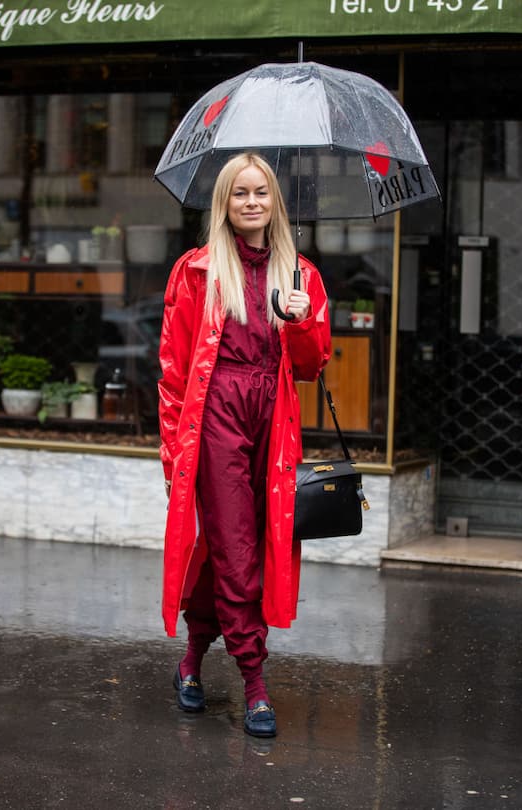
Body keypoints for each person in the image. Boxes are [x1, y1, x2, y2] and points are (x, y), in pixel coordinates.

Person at [158, 152, 331, 738]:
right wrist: (172, 453)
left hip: (273, 422)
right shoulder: (197, 270)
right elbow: (174, 369)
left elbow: (310, 368)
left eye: (261, 193)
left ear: (275, 203)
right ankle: (254, 682)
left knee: (248, 542)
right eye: (240, 194)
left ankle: (191, 661)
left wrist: (303, 322)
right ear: (224, 204)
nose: (251, 202)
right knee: (235, 548)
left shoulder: (301, 275)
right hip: (215, 420)